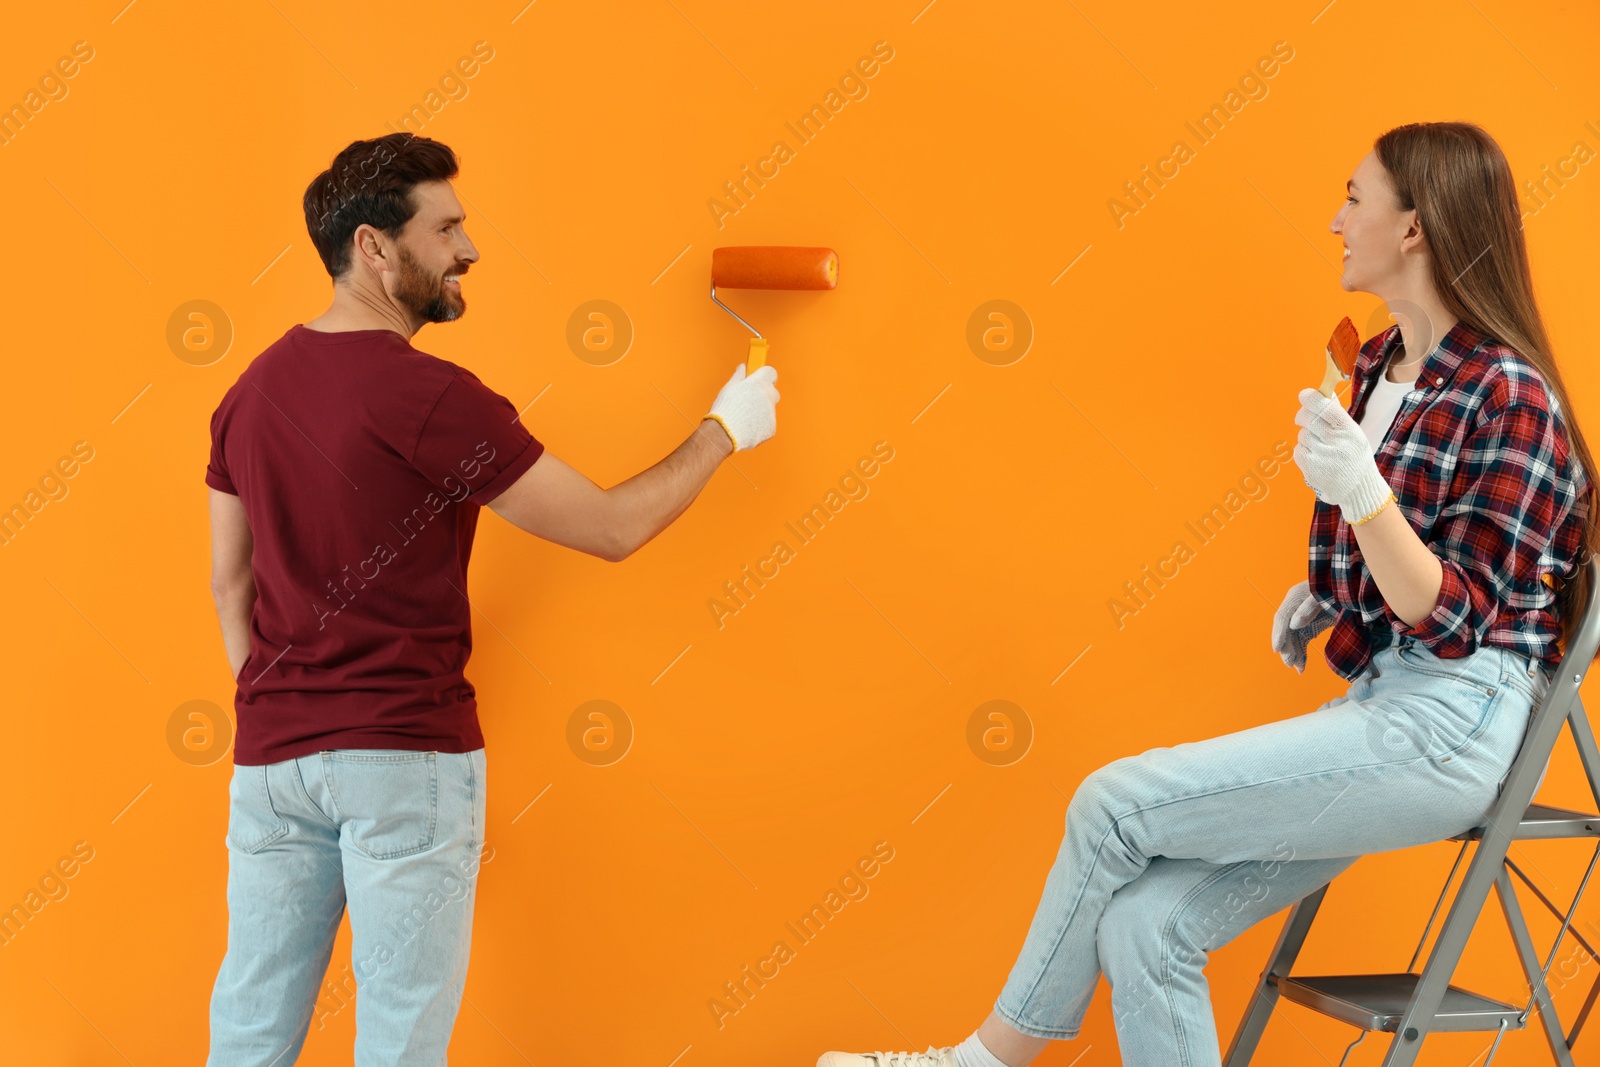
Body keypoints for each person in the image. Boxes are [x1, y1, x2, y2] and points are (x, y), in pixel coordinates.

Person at [817, 121, 1596, 1067]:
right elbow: (1394, 575)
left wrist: (1364, 493)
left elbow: (1451, 609)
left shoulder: (1508, 392)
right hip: (1384, 700)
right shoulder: (1377, 365)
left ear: (1416, 227)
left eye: (1354, 197)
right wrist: (1328, 592)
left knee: (1110, 805)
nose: (1334, 218)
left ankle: (976, 1065)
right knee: (1147, 927)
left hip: (1450, 722)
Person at [204, 132, 780, 1064]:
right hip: (403, 758)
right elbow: (608, 528)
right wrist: (725, 430)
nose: (470, 248)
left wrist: (278, 709)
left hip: (273, 766)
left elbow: (230, 581)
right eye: (447, 227)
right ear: (373, 247)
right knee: (399, 1040)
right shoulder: (429, 396)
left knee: (250, 1030)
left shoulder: (249, 392)